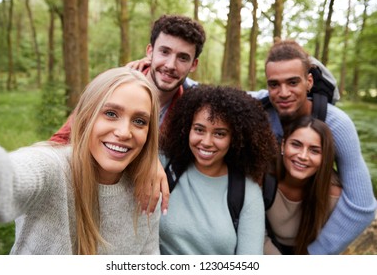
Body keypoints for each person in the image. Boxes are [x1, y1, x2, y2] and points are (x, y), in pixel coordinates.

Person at [0, 67, 161, 254]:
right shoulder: (53, 167)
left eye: (140, 121)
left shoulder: (146, 189)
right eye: (111, 114)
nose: (124, 132)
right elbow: (6, 182)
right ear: (86, 117)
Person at [50, 14, 206, 215]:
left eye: (183, 57)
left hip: (139, 215)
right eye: (164, 52)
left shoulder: (189, 108)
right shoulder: (113, 87)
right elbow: (61, 140)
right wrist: (149, 159)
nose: (170, 65)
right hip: (87, 201)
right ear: (150, 52)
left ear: (194, 64)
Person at [255, 39, 377, 254]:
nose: (283, 92)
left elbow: (362, 204)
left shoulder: (336, 124)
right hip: (267, 220)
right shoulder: (261, 106)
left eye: (293, 82)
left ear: (309, 82)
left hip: (312, 226)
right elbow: (207, 93)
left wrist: (313, 256)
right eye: (274, 84)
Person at [158, 85, 278, 254]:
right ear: (187, 128)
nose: (206, 142)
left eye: (219, 134)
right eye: (199, 130)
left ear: (235, 138)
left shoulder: (246, 192)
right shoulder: (165, 164)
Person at [264, 116, 342, 255]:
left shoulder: (333, 192)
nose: (303, 156)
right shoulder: (263, 177)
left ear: (324, 157)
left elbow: (330, 243)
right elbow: (257, 236)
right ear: (283, 145)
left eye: (314, 150)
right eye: (296, 144)